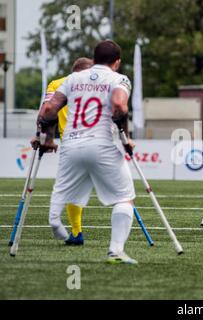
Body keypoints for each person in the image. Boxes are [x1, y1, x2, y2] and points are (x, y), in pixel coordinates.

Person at [37, 40, 138, 264]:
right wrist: (125, 138)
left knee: (65, 192)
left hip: (71, 145)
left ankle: (56, 221)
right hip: (102, 145)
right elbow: (119, 105)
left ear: (94, 59)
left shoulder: (73, 79)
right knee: (124, 198)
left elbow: (49, 109)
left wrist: (48, 138)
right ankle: (115, 251)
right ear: (117, 62)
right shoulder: (119, 78)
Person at [43, 57, 93, 245]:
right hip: (98, 142)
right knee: (121, 191)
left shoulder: (56, 84)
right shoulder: (97, 84)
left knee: (71, 188)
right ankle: (116, 245)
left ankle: (74, 231)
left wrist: (44, 138)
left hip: (71, 144)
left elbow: (47, 110)